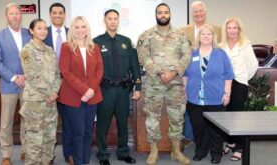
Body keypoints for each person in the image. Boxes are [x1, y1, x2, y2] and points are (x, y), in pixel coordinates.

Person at [137, 3, 191, 165]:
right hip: (154, 84)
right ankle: (154, 150)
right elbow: (144, 57)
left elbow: (186, 56)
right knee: (152, 118)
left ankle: (176, 151)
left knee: (177, 117)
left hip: (175, 84)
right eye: (160, 12)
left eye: (165, 12)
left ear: (170, 14)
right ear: (156, 15)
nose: (163, 15)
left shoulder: (181, 35)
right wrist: (161, 73)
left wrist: (173, 73)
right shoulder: (146, 35)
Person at [94, 9, 142, 165]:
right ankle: (102, 154)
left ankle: (123, 153)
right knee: (102, 123)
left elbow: (135, 66)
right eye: (110, 18)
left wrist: (138, 87)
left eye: (115, 18)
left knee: (123, 122)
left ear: (118, 21)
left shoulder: (126, 42)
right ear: (105, 21)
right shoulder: (96, 42)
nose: (113, 21)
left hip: (123, 89)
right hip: (105, 90)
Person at [184, 24, 234, 164]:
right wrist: (184, 91)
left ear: (213, 37)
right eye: (203, 34)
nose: (206, 36)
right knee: (198, 128)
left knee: (215, 130)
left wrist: (227, 93)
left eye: (209, 34)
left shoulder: (221, 54)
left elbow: (228, 75)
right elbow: (185, 75)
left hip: (216, 98)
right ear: (198, 37)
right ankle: (200, 151)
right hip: (195, 98)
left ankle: (216, 154)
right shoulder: (191, 54)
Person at [57, 16, 103, 165]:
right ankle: (77, 162)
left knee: (88, 131)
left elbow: (99, 71)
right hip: (72, 96)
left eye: (83, 27)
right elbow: (65, 71)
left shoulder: (94, 47)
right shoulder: (66, 47)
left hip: (92, 96)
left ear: (87, 29)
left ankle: (85, 161)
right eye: (77, 27)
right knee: (77, 132)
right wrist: (84, 90)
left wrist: (91, 90)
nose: (80, 30)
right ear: (73, 30)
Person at [0, 3, 31, 165]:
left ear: (21, 16)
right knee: (6, 122)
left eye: (17, 13)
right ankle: (6, 155)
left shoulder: (29, 34)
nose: (15, 16)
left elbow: (34, 59)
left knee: (27, 119)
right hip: (9, 85)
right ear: (6, 17)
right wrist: (15, 78)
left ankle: (26, 150)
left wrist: (26, 76)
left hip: (28, 85)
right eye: (11, 14)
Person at [19, 18, 61, 165]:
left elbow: (57, 74)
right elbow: (32, 76)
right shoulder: (26, 50)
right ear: (31, 31)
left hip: (50, 103)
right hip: (35, 103)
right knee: (34, 141)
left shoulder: (50, 51)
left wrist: (55, 92)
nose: (43, 31)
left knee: (49, 138)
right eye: (39, 28)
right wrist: (50, 93)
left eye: (45, 28)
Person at [219, 17, 258, 161]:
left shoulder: (245, 44)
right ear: (225, 30)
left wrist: (244, 78)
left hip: (240, 83)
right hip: (224, 84)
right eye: (229, 28)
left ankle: (239, 147)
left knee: (238, 115)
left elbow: (253, 64)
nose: (232, 31)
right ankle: (230, 142)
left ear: (239, 29)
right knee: (227, 114)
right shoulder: (221, 45)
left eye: (234, 28)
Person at [42, 2, 71, 163]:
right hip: (48, 86)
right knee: (49, 122)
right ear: (50, 15)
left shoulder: (72, 33)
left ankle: (68, 154)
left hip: (68, 84)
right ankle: (48, 155)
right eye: (54, 13)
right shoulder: (42, 33)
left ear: (64, 15)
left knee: (68, 122)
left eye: (61, 12)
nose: (58, 15)